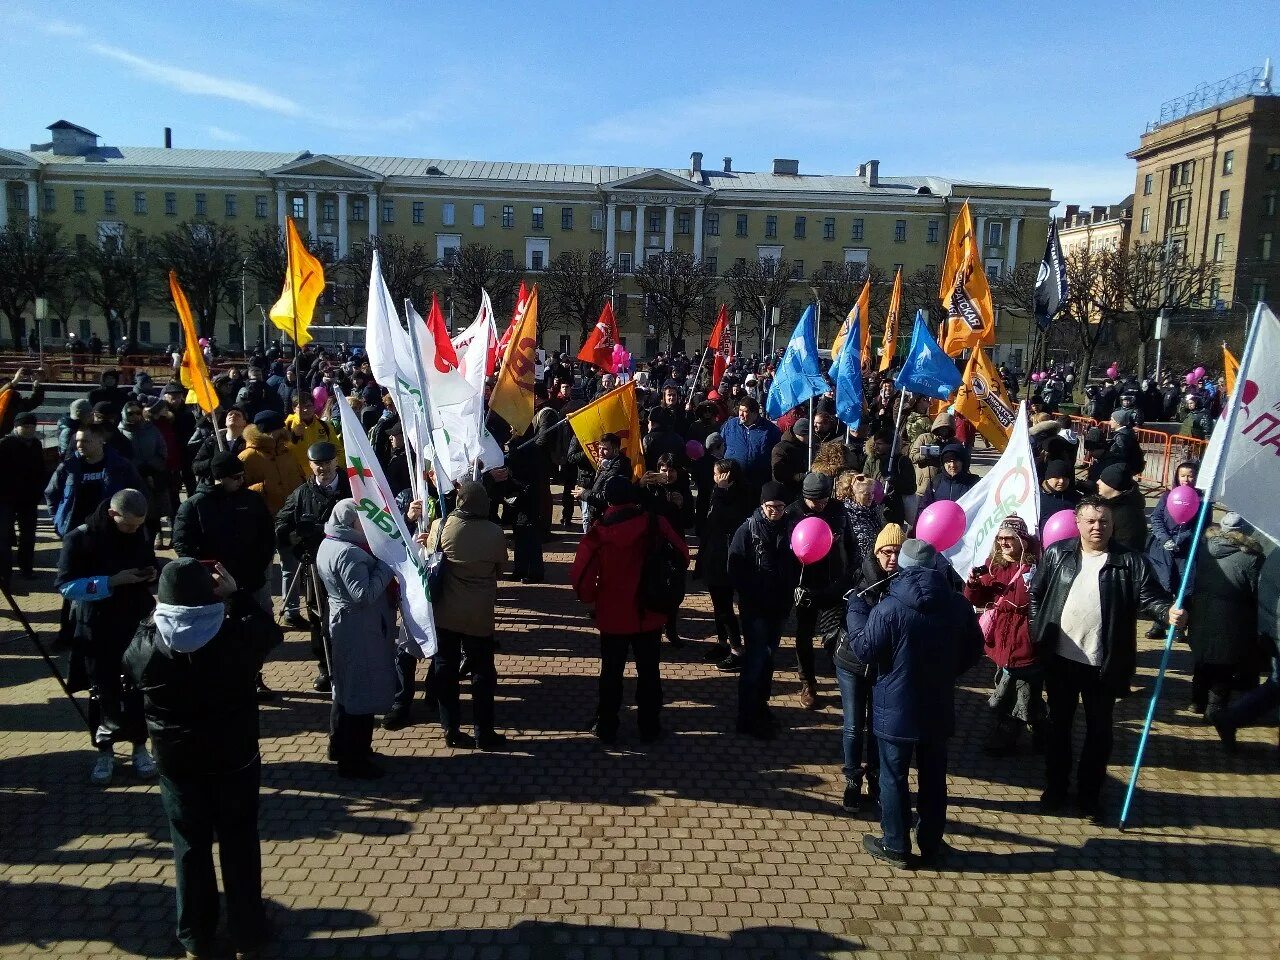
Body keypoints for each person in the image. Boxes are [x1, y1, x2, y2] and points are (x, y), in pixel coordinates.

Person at [123, 558, 281, 960]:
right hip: (235, 759)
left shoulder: (146, 644)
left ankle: (196, 933)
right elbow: (270, 633)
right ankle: (248, 931)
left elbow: (127, 670)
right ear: (212, 593)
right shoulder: (234, 637)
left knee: (189, 847)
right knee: (240, 844)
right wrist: (238, 595)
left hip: (179, 763)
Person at [1030, 496, 1184, 820]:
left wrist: (1168, 611)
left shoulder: (1131, 562)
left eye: (1104, 521)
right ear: (1078, 523)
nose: (1097, 527)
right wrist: (1037, 631)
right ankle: (1055, 788)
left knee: (1099, 733)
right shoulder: (1058, 554)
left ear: (1112, 524)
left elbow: (1151, 597)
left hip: (1104, 663)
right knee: (1059, 729)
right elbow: (1037, 596)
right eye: (1091, 521)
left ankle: (1090, 795)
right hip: (1060, 660)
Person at [853, 539, 984, 867]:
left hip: (894, 709)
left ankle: (896, 844)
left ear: (904, 566)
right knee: (934, 777)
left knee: (893, 777)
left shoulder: (888, 608)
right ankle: (930, 842)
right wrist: (948, 672)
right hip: (937, 706)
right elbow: (973, 650)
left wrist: (856, 618)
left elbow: (866, 651)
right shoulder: (957, 604)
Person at [570, 476, 690, 744]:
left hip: (613, 612)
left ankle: (607, 723)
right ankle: (649, 724)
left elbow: (582, 575)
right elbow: (683, 554)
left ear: (608, 500)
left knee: (611, 672)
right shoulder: (655, 522)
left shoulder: (600, 532)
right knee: (649, 670)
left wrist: (589, 597)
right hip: (650, 610)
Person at [56, 488, 159, 784]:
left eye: (139, 525)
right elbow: (65, 586)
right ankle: (105, 751)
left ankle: (141, 747)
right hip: (97, 626)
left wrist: (150, 573)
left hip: (136, 621)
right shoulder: (79, 538)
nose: (135, 530)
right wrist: (111, 581)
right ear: (113, 514)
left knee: (139, 688)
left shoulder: (136, 531)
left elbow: (149, 559)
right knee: (102, 691)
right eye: (129, 525)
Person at [174, 451, 277, 697]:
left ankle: (254, 676)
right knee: (216, 635)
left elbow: (266, 536)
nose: (242, 480)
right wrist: (206, 573)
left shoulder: (252, 500)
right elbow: (183, 545)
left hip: (251, 581)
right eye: (237, 477)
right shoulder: (194, 506)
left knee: (256, 632)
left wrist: (257, 567)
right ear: (219, 478)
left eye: (243, 475)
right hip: (214, 586)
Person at [419, 480, 508, 750]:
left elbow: (431, 557)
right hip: (479, 613)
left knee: (445, 668)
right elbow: (500, 569)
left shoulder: (441, 526)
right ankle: (484, 731)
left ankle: (450, 727)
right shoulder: (495, 532)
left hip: (446, 610)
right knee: (482, 673)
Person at [315, 499, 398, 779]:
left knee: (345, 688)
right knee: (361, 692)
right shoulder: (349, 553)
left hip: (345, 623)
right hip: (358, 628)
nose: (369, 524)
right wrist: (387, 567)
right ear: (351, 522)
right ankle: (355, 759)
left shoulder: (330, 542)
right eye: (363, 519)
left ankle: (340, 746)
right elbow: (363, 595)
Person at [834, 523, 905, 812]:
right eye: (886, 552)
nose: (892, 558)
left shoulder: (905, 583)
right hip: (852, 663)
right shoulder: (861, 580)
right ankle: (852, 780)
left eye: (898, 552)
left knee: (878, 728)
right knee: (853, 726)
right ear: (876, 553)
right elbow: (846, 619)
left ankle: (876, 779)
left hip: (883, 667)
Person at [965, 516, 1044, 755]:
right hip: (1001, 638)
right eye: (1000, 538)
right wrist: (974, 585)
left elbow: (1024, 601)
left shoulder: (1035, 568)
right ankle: (1042, 728)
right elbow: (975, 600)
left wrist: (1014, 592)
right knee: (1013, 686)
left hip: (1025, 638)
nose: (1003, 543)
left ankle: (1006, 735)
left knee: (1017, 689)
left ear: (1022, 540)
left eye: (1009, 538)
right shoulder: (993, 564)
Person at [728, 481, 801, 739]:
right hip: (755, 607)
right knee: (755, 659)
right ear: (762, 505)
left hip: (779, 605)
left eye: (780, 507)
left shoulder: (792, 528)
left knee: (769, 658)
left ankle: (761, 705)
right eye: (770, 507)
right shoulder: (747, 530)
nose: (775, 512)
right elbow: (734, 567)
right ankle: (746, 715)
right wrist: (751, 590)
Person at [274, 442, 351, 686]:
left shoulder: (353, 489)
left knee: (350, 617)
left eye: (327, 463)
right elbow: (281, 524)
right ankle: (325, 667)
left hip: (349, 566)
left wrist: (325, 530)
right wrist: (295, 535)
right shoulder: (301, 494)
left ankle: (351, 664)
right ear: (310, 465)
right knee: (319, 618)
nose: (323, 468)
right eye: (318, 464)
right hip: (315, 567)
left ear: (336, 462)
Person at [785, 471, 857, 710]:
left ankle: (841, 675)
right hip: (805, 585)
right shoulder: (792, 513)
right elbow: (783, 554)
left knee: (837, 633)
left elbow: (851, 543)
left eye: (825, 500)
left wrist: (852, 573)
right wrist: (792, 584)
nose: (821, 505)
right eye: (816, 501)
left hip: (835, 582)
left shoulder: (837, 510)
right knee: (804, 635)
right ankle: (808, 682)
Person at [1185, 513, 1264, 721]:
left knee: (1203, 658)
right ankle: (1215, 709)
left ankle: (1197, 701)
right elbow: (1257, 589)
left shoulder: (1204, 548)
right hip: (1233, 617)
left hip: (1201, 611)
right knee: (1224, 664)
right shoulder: (1252, 557)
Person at [1212, 547, 1280, 751]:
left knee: (1276, 685)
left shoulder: (1275, 553)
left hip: (1270, 629)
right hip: (1275, 629)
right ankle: (1231, 718)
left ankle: (1231, 718)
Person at [695, 457, 754, 671]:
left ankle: (737, 649)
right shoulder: (717, 493)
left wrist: (720, 492)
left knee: (725, 607)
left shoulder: (738, 497)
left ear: (728, 477)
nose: (714, 478)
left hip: (726, 560)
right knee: (718, 605)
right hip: (713, 556)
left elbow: (721, 519)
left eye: (718, 474)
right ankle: (723, 643)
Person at [46, 423, 142, 538]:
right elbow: (51, 493)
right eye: (77, 441)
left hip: (109, 531)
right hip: (74, 530)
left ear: (101, 441)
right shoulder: (68, 467)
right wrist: (58, 519)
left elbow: (136, 492)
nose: (79, 445)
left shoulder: (121, 466)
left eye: (85, 441)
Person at [1144, 461, 1199, 637]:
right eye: (1183, 475)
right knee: (1163, 585)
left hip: (1186, 551)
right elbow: (1157, 518)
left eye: (1190, 475)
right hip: (1163, 550)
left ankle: (1180, 627)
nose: (1186, 479)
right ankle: (1160, 622)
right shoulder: (1167, 496)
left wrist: (1181, 539)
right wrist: (1165, 539)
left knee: (1184, 588)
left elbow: (1201, 526)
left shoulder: (1201, 500)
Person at [0, 412, 47, 586]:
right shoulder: (5, 444)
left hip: (29, 498)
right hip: (6, 498)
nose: (29, 430)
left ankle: (26, 568)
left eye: (32, 427)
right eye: (25, 427)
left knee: (28, 536)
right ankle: (5, 574)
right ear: (16, 426)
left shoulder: (35, 444)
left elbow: (41, 468)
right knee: (4, 537)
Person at [119, 400, 170, 545]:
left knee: (153, 513)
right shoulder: (120, 432)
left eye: (137, 412)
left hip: (153, 476)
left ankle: (154, 539)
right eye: (130, 413)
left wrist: (151, 466)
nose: (135, 416)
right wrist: (136, 466)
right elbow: (120, 456)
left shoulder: (151, 429)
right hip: (131, 478)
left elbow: (162, 450)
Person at [721, 397, 781, 499]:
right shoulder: (730, 426)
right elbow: (721, 444)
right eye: (740, 410)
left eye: (745, 411)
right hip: (734, 479)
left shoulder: (769, 429)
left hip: (758, 480)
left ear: (755, 413)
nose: (741, 414)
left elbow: (776, 451)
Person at [574, 432, 632, 530]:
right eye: (599, 448)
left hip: (607, 519)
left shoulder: (618, 468)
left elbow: (606, 497)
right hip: (599, 516)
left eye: (605, 449)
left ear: (616, 450)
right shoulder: (607, 464)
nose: (600, 452)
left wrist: (584, 493)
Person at [285, 390, 344, 476]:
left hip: (324, 476)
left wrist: (334, 468)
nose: (305, 410)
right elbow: (283, 454)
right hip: (299, 478)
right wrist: (293, 437)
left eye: (309, 406)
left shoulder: (325, 426)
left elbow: (338, 450)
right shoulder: (287, 427)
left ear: (314, 407)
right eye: (301, 407)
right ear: (294, 409)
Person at [1095, 463, 1147, 552]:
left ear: (1113, 485)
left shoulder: (1127, 515)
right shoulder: (1113, 504)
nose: (1098, 482)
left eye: (1102, 479)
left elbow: (1126, 548)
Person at [191, 407, 249, 483]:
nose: (233, 416)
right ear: (225, 422)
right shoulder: (212, 441)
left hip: (242, 487)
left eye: (238, 415)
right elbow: (195, 466)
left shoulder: (248, 442)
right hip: (215, 488)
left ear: (244, 423)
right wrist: (214, 462)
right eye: (230, 414)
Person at [918, 442, 979, 512]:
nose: (952, 465)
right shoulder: (936, 482)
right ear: (943, 464)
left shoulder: (974, 482)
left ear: (963, 462)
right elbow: (923, 508)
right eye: (948, 461)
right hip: (939, 522)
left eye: (956, 461)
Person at [1037, 460, 1085, 539]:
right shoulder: (1037, 498)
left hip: (1072, 543)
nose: (1062, 481)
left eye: (1065, 478)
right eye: (1057, 477)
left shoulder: (1077, 498)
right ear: (1048, 478)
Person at [770, 416, 812, 504]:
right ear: (802, 434)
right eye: (809, 435)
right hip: (786, 492)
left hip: (803, 490)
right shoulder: (781, 449)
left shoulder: (806, 446)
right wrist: (802, 476)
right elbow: (779, 474)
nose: (811, 438)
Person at [0, 366, 46, 436]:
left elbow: (34, 401)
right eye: (2, 383)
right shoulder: (5, 394)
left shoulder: (15, 400)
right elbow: (3, 393)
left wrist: (36, 383)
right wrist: (14, 381)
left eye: (5, 382)